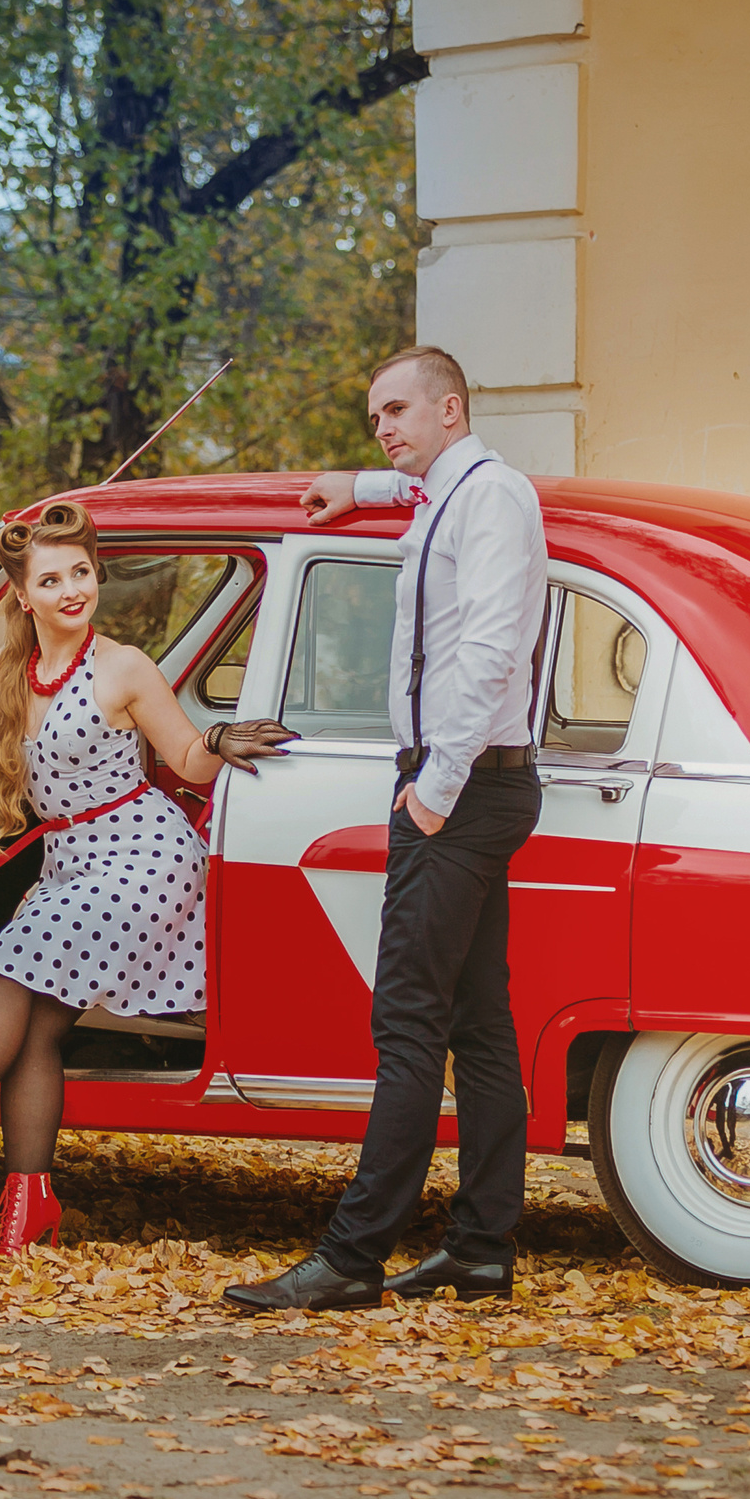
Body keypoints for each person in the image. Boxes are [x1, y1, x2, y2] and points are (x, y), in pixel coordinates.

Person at [0, 503, 297, 1256]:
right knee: (34, 1034)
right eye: (51, 579)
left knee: (7, 975)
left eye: (81, 572)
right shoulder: (6, 674)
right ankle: (28, 1206)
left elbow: (184, 760)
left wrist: (216, 736)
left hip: (143, 858)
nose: (72, 589)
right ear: (23, 596)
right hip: (73, 868)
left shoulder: (123, 666)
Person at [224, 346, 549, 1311]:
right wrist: (352, 483)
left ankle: (352, 1256)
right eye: (375, 418)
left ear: (451, 407)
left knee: (407, 1023)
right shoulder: (450, 494)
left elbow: (492, 646)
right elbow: (415, 493)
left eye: (398, 411)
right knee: (479, 1025)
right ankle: (483, 1245)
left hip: (461, 788)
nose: (385, 427)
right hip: (472, 786)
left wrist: (437, 788)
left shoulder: (490, 498)